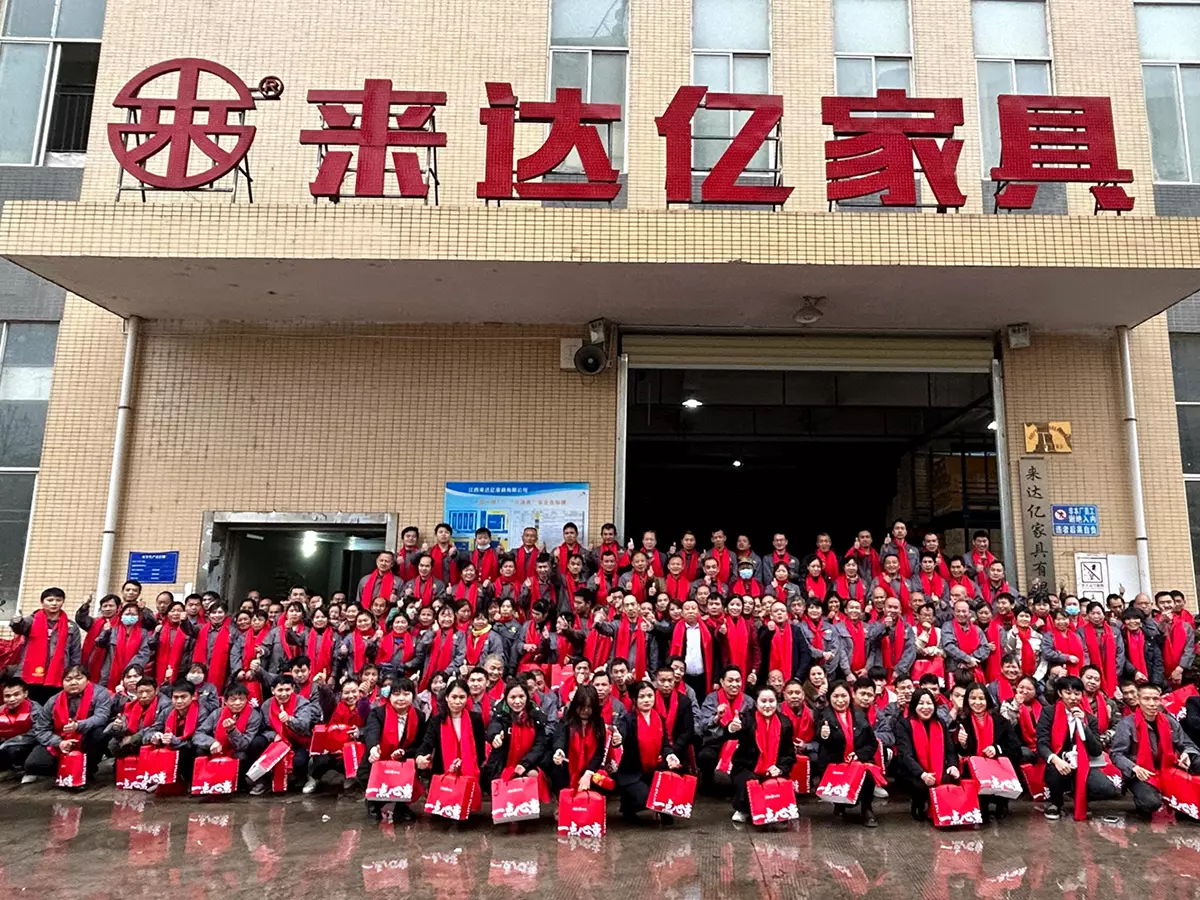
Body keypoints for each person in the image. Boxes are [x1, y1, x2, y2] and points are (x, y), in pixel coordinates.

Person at [1035, 674, 1120, 820]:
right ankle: (1056, 803)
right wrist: (1055, 759)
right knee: (1055, 773)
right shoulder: (1049, 713)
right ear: (1060, 693)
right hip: (1058, 760)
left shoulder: (1089, 718)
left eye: (1077, 693)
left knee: (1106, 789)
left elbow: (1096, 750)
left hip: (1083, 763)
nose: (1073, 698)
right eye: (1068, 693)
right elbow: (1042, 743)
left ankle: (1080, 798)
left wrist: (1083, 725)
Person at [1110, 682, 1200, 819]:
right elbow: (1116, 754)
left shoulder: (1169, 721)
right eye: (1147, 699)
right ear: (1138, 700)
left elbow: (1187, 744)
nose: (1152, 704)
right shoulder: (1127, 724)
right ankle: (1140, 797)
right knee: (1151, 803)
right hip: (1141, 771)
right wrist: (1133, 768)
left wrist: (1186, 753)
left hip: (1167, 766)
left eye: (1155, 699)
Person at [24, 665, 112, 783]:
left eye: (78, 678)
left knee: (100, 733)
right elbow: (41, 728)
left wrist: (78, 726)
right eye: (68, 679)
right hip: (61, 738)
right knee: (33, 765)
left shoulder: (100, 693)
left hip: (86, 737)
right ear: (62, 682)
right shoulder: (53, 700)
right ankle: (68, 770)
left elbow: (101, 717)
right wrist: (59, 742)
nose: (73, 682)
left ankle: (87, 769)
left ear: (87, 680)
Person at [360, 675, 426, 820]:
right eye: (396, 694)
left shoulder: (420, 716)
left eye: (406, 694)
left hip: (402, 760)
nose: (401, 698)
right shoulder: (378, 713)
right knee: (367, 777)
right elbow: (371, 732)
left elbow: (420, 743)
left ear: (413, 696)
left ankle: (401, 806)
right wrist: (373, 748)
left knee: (412, 767)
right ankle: (373, 803)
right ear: (389, 697)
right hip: (379, 758)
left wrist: (404, 752)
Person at [815, 681, 880, 827]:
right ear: (829, 698)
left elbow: (872, 744)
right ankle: (839, 806)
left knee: (868, 774)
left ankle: (867, 809)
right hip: (835, 762)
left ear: (850, 696)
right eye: (835, 696)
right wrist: (824, 735)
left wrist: (858, 755)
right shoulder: (823, 716)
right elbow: (819, 740)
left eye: (843, 696)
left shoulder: (860, 715)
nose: (840, 700)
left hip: (858, 760)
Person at [615, 680, 682, 823]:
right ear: (635, 699)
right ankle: (628, 805)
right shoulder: (628, 720)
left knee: (673, 773)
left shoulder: (659, 719)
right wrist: (618, 738)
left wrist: (670, 755)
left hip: (654, 768)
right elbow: (621, 734)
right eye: (642, 697)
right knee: (643, 799)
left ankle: (662, 809)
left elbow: (665, 744)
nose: (646, 700)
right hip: (632, 772)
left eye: (650, 696)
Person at [728, 686, 797, 823]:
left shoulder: (785, 723)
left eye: (771, 701)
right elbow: (731, 734)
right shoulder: (747, 719)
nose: (767, 705)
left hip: (774, 768)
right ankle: (744, 809)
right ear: (756, 702)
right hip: (748, 767)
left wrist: (780, 768)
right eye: (763, 701)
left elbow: (789, 754)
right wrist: (732, 728)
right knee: (749, 782)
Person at [955, 682, 1019, 821]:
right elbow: (960, 752)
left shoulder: (1000, 721)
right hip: (975, 770)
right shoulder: (963, 722)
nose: (977, 702)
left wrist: (997, 749)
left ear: (987, 700)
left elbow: (1015, 747)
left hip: (998, 768)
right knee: (982, 815)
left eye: (981, 698)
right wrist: (962, 744)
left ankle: (1002, 803)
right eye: (973, 698)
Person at [894, 688, 960, 821]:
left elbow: (950, 750)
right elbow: (906, 755)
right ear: (914, 705)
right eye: (921, 703)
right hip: (914, 771)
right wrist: (922, 774)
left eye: (929, 703)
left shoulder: (940, 723)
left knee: (951, 776)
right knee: (919, 785)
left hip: (937, 769)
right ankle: (919, 804)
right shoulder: (904, 724)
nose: (926, 707)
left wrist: (953, 765)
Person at [9, 588, 82, 705]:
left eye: (58, 600)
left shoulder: (71, 626)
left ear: (63, 602)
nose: (54, 603)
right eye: (50, 600)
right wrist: (16, 621)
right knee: (29, 706)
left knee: (52, 706)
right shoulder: (31, 621)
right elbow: (19, 628)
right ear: (42, 602)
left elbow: (75, 652)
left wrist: (73, 673)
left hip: (58, 674)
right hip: (30, 674)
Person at [414, 678, 486, 791]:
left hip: (469, 774)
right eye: (454, 697)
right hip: (442, 773)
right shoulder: (437, 720)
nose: (457, 702)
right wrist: (420, 757)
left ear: (467, 698)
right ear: (447, 698)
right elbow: (427, 744)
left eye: (462, 697)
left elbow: (480, 751)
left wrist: (465, 764)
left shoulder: (475, 719)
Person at [253, 675, 320, 795]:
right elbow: (262, 728)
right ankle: (264, 780)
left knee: (299, 761)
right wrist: (273, 735)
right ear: (273, 690)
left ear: (293, 689)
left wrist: (289, 720)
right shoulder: (267, 705)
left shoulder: (302, 703)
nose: (284, 694)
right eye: (280, 690)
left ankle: (299, 778)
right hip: (276, 741)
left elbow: (304, 726)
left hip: (297, 741)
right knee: (257, 743)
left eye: (287, 690)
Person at [482, 679, 549, 793]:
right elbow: (494, 726)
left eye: (521, 697)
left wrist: (525, 764)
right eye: (513, 697)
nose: (517, 701)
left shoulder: (536, 716)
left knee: (533, 775)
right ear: (506, 697)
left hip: (528, 762)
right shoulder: (500, 713)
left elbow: (540, 745)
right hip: (502, 763)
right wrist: (495, 737)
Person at [195, 683, 265, 790]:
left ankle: (241, 785)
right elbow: (198, 734)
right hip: (217, 748)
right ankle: (201, 782)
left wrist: (232, 731)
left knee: (242, 756)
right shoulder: (217, 713)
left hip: (237, 749)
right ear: (226, 701)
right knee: (199, 750)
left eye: (241, 699)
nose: (238, 703)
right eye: (233, 700)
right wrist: (212, 742)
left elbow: (244, 745)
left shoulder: (254, 716)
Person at [304, 677, 366, 794]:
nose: (351, 696)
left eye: (354, 692)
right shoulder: (334, 706)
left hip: (353, 748)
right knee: (321, 761)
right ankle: (313, 779)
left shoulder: (364, 707)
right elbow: (327, 699)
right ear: (341, 694)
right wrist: (323, 686)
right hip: (331, 749)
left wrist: (360, 732)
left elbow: (371, 726)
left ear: (359, 692)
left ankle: (351, 777)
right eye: (347, 692)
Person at [696, 666, 754, 789]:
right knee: (705, 756)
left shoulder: (749, 701)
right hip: (716, 741)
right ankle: (709, 787)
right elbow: (702, 725)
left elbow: (753, 727)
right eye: (730, 680)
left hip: (740, 743)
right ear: (722, 682)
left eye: (738, 681)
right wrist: (717, 718)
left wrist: (741, 726)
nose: (734, 684)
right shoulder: (711, 699)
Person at [143, 680, 203, 786]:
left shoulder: (202, 712)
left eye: (183, 697)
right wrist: (154, 736)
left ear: (194, 696)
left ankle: (190, 781)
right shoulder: (167, 711)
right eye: (175, 697)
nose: (179, 701)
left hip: (190, 747)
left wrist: (174, 741)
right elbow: (152, 729)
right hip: (170, 744)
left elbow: (198, 738)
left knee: (195, 750)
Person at [758, 600, 813, 684]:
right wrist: (769, 632)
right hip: (769, 678)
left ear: (787, 615)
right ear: (771, 616)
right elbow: (762, 650)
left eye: (782, 611)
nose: (779, 613)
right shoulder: (764, 630)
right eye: (776, 611)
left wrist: (798, 677)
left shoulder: (795, 630)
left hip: (793, 678)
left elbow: (805, 654)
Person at [941, 599, 991, 684]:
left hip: (974, 670)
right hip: (955, 670)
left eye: (964, 611)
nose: (961, 614)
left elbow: (985, 648)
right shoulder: (947, 626)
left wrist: (971, 660)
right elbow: (948, 646)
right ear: (953, 612)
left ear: (969, 613)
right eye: (958, 611)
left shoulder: (977, 629)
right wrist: (967, 659)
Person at [0, 676, 41, 779]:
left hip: (28, 745)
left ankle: (23, 770)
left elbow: (38, 733)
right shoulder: (1, 710)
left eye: (16, 694)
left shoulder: (35, 710)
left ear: (25, 694)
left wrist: (8, 743)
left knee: (13, 749)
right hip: (6, 744)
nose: (12, 699)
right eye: (7, 696)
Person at [866, 596, 915, 681]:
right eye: (889, 607)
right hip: (879, 670)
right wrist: (883, 626)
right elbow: (871, 640)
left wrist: (899, 670)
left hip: (900, 672)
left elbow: (910, 650)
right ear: (884, 609)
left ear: (900, 610)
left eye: (895, 608)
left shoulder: (907, 627)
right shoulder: (875, 625)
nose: (892, 610)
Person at [1121, 608, 1164, 686]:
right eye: (1128, 619)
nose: (1132, 621)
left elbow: (1157, 660)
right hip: (1129, 679)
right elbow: (1122, 658)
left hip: (1150, 677)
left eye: (1136, 618)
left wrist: (1156, 683)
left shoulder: (1150, 636)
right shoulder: (1121, 637)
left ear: (1141, 620)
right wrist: (1134, 672)